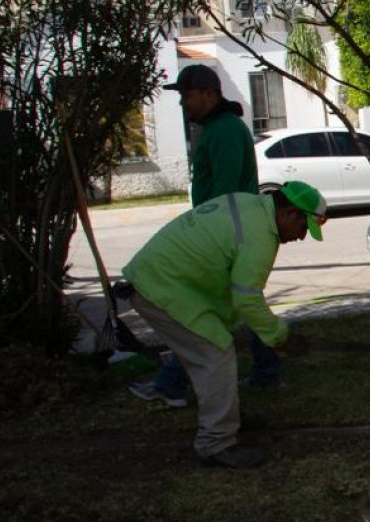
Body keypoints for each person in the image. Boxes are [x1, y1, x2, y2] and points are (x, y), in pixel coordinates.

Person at [121, 182, 326, 468]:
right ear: (290, 213)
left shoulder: (250, 204)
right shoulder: (261, 236)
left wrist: (251, 330)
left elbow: (231, 284)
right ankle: (216, 443)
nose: (302, 237)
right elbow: (247, 299)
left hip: (161, 280)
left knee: (216, 349)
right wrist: (280, 336)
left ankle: (228, 421)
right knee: (215, 354)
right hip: (161, 288)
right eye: (304, 229)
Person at [129, 64, 281, 408]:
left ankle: (172, 381)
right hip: (222, 237)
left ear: (209, 94)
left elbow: (224, 194)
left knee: (210, 313)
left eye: (188, 96)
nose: (184, 104)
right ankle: (266, 370)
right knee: (229, 309)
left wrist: (207, 238)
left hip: (226, 239)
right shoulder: (215, 128)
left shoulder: (226, 130)